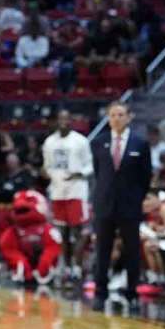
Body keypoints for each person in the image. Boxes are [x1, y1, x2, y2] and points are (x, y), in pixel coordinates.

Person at [90, 102, 152, 313]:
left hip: (130, 205)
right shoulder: (98, 143)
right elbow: (99, 174)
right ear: (108, 118)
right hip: (104, 204)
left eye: (121, 114)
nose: (117, 118)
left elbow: (145, 177)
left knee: (132, 251)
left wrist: (136, 199)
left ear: (129, 117)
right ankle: (100, 293)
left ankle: (132, 292)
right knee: (103, 250)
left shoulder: (140, 143)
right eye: (113, 115)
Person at [42, 109, 93, 282]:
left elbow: (90, 165)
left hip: (76, 191)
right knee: (62, 232)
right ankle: (67, 265)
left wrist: (79, 173)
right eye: (60, 118)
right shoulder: (49, 142)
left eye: (66, 118)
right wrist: (47, 173)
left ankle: (77, 267)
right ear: (56, 121)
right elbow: (47, 166)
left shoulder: (81, 141)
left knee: (78, 230)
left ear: (71, 120)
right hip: (57, 191)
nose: (64, 121)